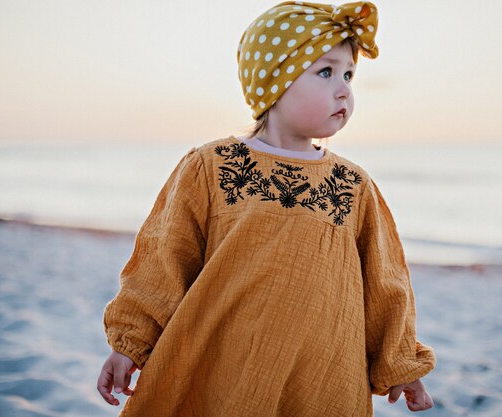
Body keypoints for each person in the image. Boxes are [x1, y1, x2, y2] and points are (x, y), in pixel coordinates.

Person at [96, 1, 436, 416]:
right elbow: (163, 259)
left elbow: (385, 284)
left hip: (323, 374)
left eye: (348, 74)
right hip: (227, 364)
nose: (344, 88)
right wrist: (129, 344)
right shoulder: (211, 166)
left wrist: (401, 365)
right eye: (325, 72)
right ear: (274, 82)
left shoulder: (353, 185)